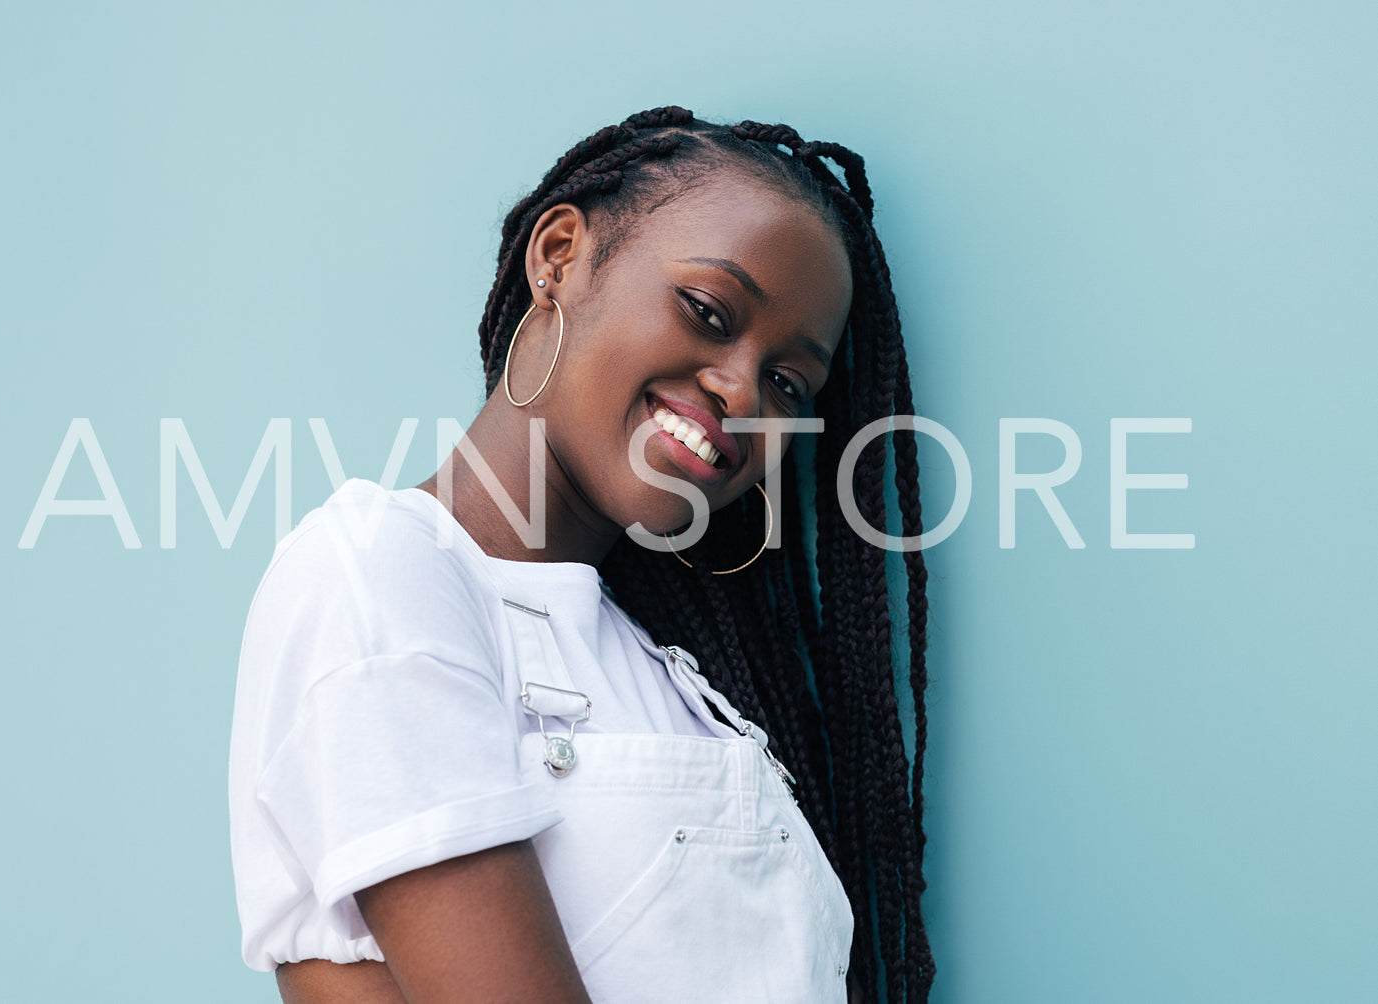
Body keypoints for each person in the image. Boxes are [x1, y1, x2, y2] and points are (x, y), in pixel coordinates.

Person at [228, 105, 934, 1004]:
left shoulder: (673, 677)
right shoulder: (379, 572)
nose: (739, 388)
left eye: (787, 381)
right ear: (558, 254)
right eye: (710, 312)